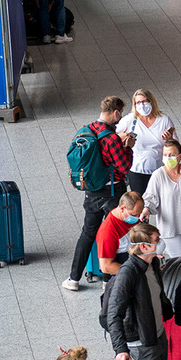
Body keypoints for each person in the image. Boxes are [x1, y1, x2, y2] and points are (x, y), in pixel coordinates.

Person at [62, 96, 131, 291]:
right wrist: (129, 148)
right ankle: (107, 279)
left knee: (87, 234)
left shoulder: (86, 130)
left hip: (91, 192)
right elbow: (124, 166)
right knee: (113, 234)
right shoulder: (111, 139)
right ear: (116, 113)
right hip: (112, 192)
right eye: (120, 114)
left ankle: (73, 279)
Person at [103, 223, 173, 360]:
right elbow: (114, 314)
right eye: (157, 240)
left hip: (157, 335)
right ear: (143, 246)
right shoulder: (127, 274)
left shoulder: (153, 263)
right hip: (141, 343)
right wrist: (120, 349)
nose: (161, 242)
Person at [141, 139, 181, 259]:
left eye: (172, 155)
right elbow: (150, 197)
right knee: (180, 261)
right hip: (169, 228)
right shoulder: (158, 175)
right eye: (165, 155)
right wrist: (146, 209)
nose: (168, 158)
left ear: (180, 157)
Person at [115, 89, 176, 196]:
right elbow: (114, 139)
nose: (142, 105)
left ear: (151, 101)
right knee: (139, 203)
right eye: (138, 102)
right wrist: (123, 138)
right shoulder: (130, 120)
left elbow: (175, 146)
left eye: (144, 101)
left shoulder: (164, 120)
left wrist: (169, 139)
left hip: (159, 170)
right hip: (136, 171)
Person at [95, 190, 144, 276]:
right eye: (134, 215)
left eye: (139, 214)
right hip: (125, 272)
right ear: (122, 208)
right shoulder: (107, 233)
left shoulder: (131, 217)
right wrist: (134, 273)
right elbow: (106, 266)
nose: (137, 218)